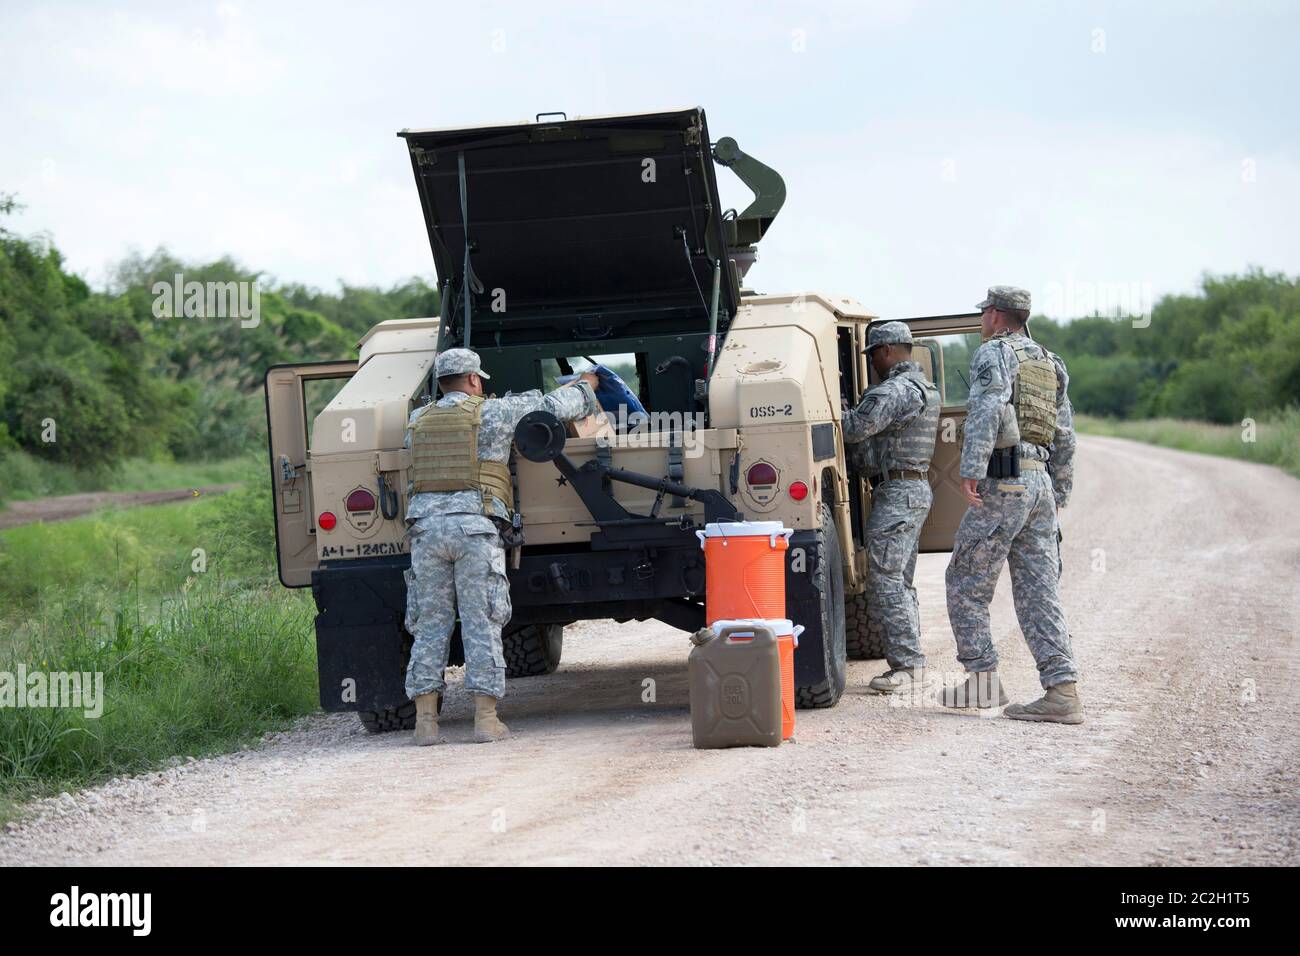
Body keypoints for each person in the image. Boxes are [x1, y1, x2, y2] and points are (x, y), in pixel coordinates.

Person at [403, 348, 599, 744]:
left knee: (429, 624)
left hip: (425, 532)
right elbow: (549, 407)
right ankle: (485, 720)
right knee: (481, 622)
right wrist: (586, 387)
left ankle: (425, 724)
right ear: (475, 380)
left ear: (440, 384)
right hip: (475, 529)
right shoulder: (494, 412)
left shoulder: (416, 421)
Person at [939, 286, 1082, 723]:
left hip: (1006, 482)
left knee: (965, 578)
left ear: (998, 316)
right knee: (1040, 591)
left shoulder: (993, 354)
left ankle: (982, 680)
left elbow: (985, 410)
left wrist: (971, 468)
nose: (982, 319)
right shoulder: (1050, 361)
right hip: (1038, 483)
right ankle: (1062, 691)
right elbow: (1066, 433)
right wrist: (1059, 491)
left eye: (985, 312)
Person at [843, 321, 941, 695]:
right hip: (912, 490)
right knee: (900, 581)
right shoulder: (924, 387)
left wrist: (837, 405)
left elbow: (853, 429)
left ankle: (908, 666)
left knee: (885, 581)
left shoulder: (895, 390)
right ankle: (910, 660)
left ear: (885, 352)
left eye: (873, 357)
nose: (871, 365)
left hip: (898, 493)